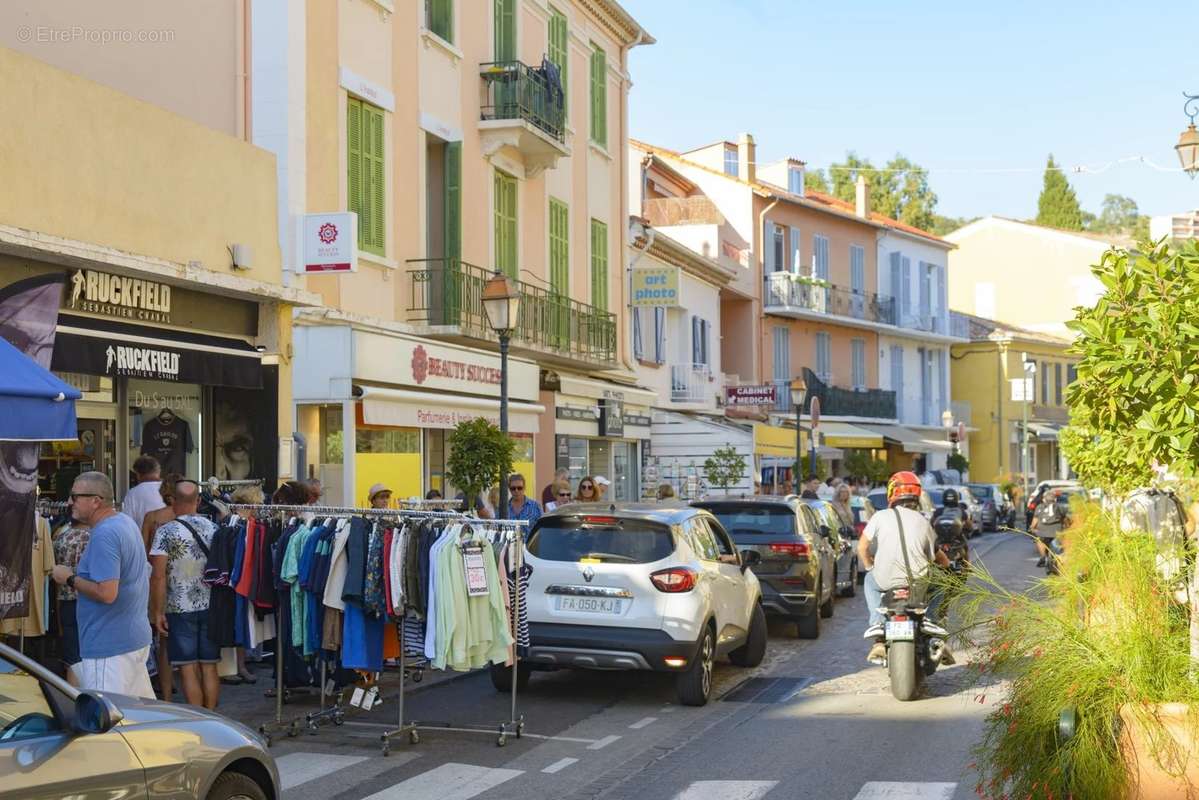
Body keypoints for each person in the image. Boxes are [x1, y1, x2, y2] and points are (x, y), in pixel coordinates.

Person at [50, 472, 154, 697]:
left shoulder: (105, 534)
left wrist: (68, 578)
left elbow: (107, 593)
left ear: (95, 500)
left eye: (75, 496)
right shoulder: (125, 523)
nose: (69, 502)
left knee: (107, 723)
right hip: (130, 640)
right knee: (136, 720)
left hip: (110, 647)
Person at [858, 470, 952, 665]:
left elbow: (862, 547)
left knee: (869, 580)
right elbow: (936, 556)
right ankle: (932, 620)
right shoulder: (924, 522)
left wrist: (869, 566)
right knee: (942, 582)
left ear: (892, 493)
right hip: (918, 581)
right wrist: (948, 566)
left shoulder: (879, 516)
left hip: (885, 579)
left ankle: (877, 622)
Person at [149, 479, 221, 709]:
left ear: (173, 501)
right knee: (210, 666)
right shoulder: (214, 528)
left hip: (179, 606)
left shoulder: (165, 532)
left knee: (188, 667)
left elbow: (158, 576)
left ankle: (200, 719)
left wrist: (157, 611)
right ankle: (214, 718)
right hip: (211, 605)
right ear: (198, 501)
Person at [51, 517, 91, 685]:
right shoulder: (94, 537)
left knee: (72, 654)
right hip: (89, 597)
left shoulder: (60, 537)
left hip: (65, 598)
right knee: (89, 652)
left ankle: (73, 695)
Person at [122, 455, 165, 531]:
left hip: (143, 540)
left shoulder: (133, 494)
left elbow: (128, 525)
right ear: (158, 471)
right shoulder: (169, 489)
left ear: (138, 474)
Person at [1030, 489, 1068, 567]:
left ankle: (1043, 557)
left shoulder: (1039, 507)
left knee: (1038, 539)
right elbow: (1064, 519)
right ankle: (1058, 559)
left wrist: (1032, 528)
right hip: (1057, 532)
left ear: (1044, 499)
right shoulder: (1059, 507)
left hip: (1042, 532)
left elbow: (1035, 521)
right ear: (1055, 499)